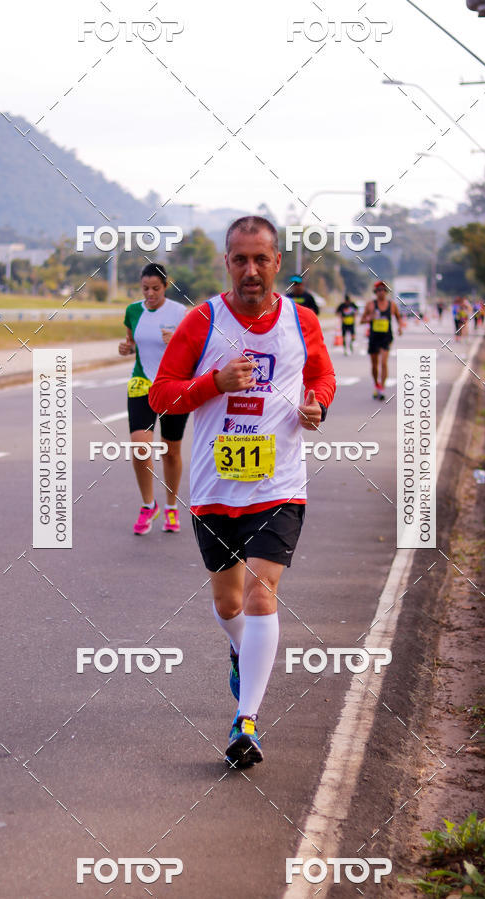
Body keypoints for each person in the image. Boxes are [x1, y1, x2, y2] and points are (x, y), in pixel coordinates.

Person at [150, 216, 335, 768]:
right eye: (240, 259)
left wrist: (318, 405)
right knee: (229, 604)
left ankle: (245, 721)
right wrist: (214, 383)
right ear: (226, 263)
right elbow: (161, 395)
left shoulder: (301, 321)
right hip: (215, 486)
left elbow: (321, 378)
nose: (251, 270)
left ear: (277, 262)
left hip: (279, 485)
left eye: (261, 259)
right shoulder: (203, 321)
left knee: (260, 594)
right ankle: (241, 649)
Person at [119, 262, 189, 535]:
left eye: (155, 289)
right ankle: (149, 505)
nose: (150, 294)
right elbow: (132, 343)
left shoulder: (179, 312)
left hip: (172, 385)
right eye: (145, 288)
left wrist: (177, 341)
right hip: (142, 384)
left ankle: (171, 506)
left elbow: (193, 351)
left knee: (171, 452)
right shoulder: (133, 311)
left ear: (165, 286)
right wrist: (126, 348)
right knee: (140, 447)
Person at [360, 281, 403, 401]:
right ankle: (376, 384)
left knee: (383, 362)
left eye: (383, 290)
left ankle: (382, 388)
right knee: (374, 365)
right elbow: (362, 320)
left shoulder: (392, 305)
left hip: (386, 337)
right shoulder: (370, 305)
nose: (381, 292)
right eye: (378, 290)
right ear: (375, 292)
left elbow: (398, 318)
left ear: (386, 292)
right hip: (374, 337)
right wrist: (370, 318)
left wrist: (400, 327)